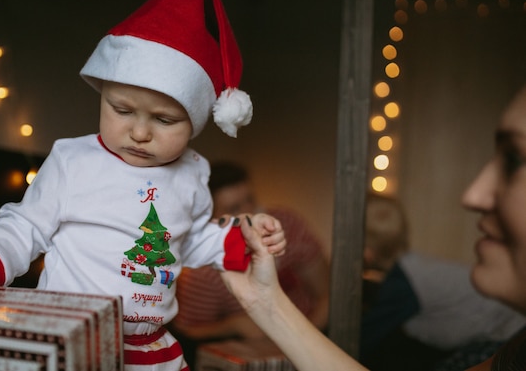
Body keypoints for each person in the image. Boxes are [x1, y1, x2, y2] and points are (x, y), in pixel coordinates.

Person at [0, 0, 288, 371]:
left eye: (164, 120)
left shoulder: (192, 172)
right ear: (101, 95)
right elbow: (25, 226)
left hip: (153, 352)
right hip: (73, 343)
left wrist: (241, 239)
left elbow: (188, 241)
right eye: (121, 110)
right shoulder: (73, 161)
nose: (139, 132)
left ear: (195, 123)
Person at [220, 85, 526, 371]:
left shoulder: (406, 282)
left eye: (514, 159)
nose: (472, 195)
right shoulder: (515, 353)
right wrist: (265, 302)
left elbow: (365, 337)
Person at [170, 161, 330, 364]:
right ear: (210, 219)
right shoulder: (201, 273)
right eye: (234, 208)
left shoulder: (286, 226)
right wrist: (232, 325)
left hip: (311, 337)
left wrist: (306, 345)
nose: (249, 213)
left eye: (250, 200)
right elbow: (187, 333)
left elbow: (327, 293)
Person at [361, 193, 526, 370]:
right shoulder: (408, 268)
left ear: (368, 250)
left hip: (501, 338)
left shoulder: (405, 281)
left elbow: (364, 337)